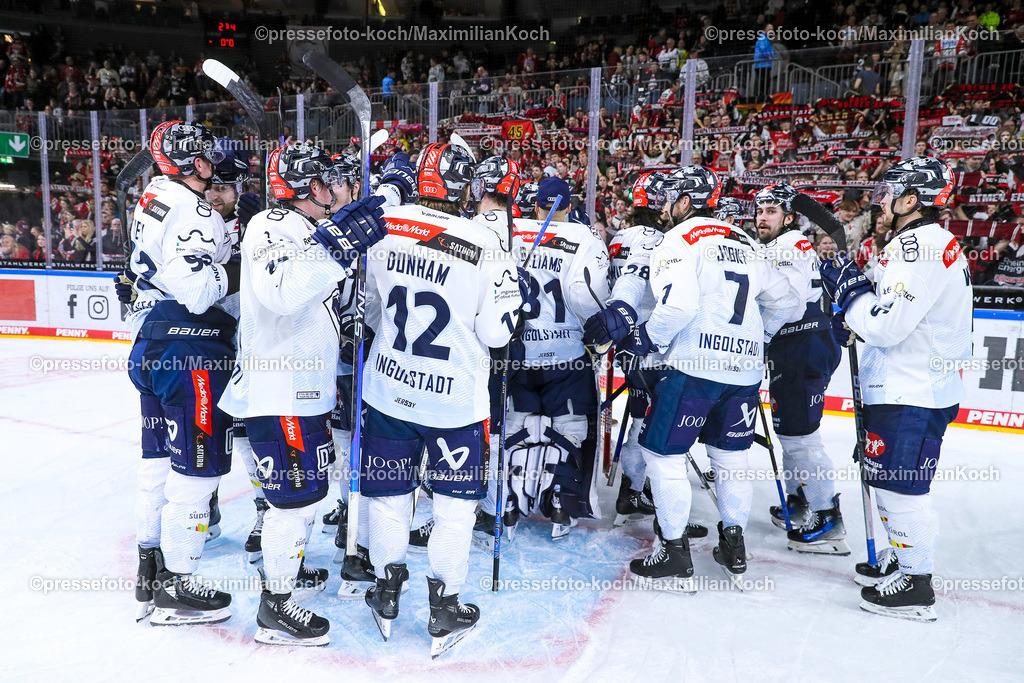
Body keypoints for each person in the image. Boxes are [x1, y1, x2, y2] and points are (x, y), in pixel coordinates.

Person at [219, 142, 389, 645]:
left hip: (302, 390)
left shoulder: (303, 230)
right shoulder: (271, 227)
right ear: (310, 187)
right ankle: (275, 608)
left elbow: (311, 299)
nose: (338, 188)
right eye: (330, 180)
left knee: (305, 497)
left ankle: (284, 580)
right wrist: (336, 245)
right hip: (281, 390)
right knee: (293, 503)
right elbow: (283, 292)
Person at [358, 141, 521, 657]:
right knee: (454, 509)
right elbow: (498, 334)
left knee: (387, 499)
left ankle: (386, 592)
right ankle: (444, 608)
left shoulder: (385, 224)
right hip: (453, 402)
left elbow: (369, 311)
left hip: (387, 389)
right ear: (464, 186)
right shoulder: (484, 241)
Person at [612, 166, 798, 589]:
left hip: (695, 367)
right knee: (731, 458)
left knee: (663, 456)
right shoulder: (747, 241)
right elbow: (787, 302)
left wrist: (645, 340)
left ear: (682, 202)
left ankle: (674, 553)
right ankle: (734, 544)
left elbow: (677, 308)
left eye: (670, 200)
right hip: (745, 370)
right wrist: (758, 336)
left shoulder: (678, 239)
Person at [821, 157, 972, 622]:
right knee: (888, 482)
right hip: (914, 386)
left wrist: (852, 300)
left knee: (902, 490)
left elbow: (888, 326)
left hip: (911, 389)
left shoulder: (917, 248)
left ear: (912, 200)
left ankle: (916, 585)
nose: (879, 200)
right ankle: (901, 557)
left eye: (889, 192)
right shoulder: (926, 243)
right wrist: (859, 298)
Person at [122, 122, 237, 625]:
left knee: (156, 461)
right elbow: (196, 290)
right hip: (188, 349)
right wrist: (242, 267)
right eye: (205, 156)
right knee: (198, 469)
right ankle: (177, 585)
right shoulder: (195, 210)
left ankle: (150, 569)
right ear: (192, 163)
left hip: (150, 343)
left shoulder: (152, 194)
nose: (213, 164)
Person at [503, 176, 609, 540]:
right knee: (572, 430)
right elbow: (587, 296)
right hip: (567, 357)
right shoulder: (584, 237)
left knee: (515, 427)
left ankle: (510, 502)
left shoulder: (511, 233)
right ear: (569, 207)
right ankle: (562, 504)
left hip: (518, 354)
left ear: (536, 205)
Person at [754, 184, 847, 554]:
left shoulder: (785, 246)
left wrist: (757, 338)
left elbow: (788, 303)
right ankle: (801, 500)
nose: (762, 217)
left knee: (801, 438)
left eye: (772, 211)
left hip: (801, 344)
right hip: (797, 344)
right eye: (759, 210)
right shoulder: (788, 245)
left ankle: (829, 517)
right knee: (790, 432)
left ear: (789, 218)